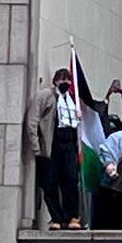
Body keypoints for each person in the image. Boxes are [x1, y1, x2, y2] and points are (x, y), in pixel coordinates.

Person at [26, 68, 83, 230]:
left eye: (67, 80)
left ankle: (72, 216)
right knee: (50, 183)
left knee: (70, 180)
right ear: (55, 81)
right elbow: (33, 120)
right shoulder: (45, 96)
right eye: (61, 79)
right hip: (52, 144)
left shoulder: (73, 100)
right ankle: (56, 217)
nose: (64, 83)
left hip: (69, 143)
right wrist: (36, 146)